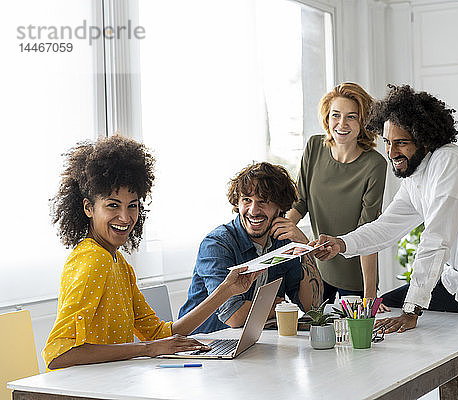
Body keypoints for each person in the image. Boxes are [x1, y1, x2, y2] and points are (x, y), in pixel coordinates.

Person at [312, 84, 458, 400]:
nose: (391, 151)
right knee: (390, 307)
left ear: (425, 140)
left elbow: (436, 239)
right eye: (387, 142)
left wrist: (413, 309)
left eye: (401, 143)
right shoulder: (416, 174)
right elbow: (386, 227)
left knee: (390, 310)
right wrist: (342, 244)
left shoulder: (448, 163)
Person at [43, 135, 262, 370]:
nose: (126, 217)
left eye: (133, 205)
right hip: (79, 390)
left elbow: (159, 334)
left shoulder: (117, 262)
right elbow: (59, 354)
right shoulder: (92, 259)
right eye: (113, 205)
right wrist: (147, 349)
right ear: (88, 208)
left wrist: (227, 289)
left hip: (108, 384)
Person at [178, 162, 323, 334]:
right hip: (205, 343)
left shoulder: (284, 241)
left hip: (255, 342)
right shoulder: (217, 244)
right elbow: (234, 315)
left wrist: (304, 247)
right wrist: (276, 306)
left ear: (280, 208)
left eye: (263, 202)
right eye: (246, 200)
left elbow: (312, 308)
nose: (253, 211)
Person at [285, 82, 387, 304]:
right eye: (336, 115)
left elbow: (368, 230)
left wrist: (370, 295)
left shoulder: (375, 164)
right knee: (313, 335)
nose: (342, 124)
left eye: (351, 116)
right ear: (327, 117)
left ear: (363, 121)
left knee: (354, 337)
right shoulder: (314, 147)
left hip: (356, 277)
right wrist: (282, 230)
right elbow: (300, 202)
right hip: (318, 269)